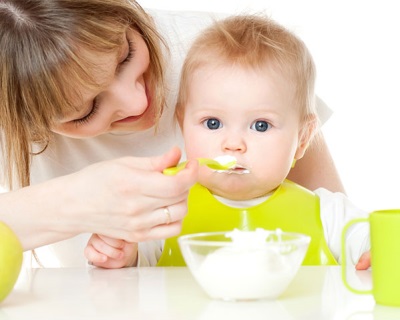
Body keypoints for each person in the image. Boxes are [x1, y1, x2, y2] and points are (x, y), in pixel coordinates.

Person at [0, 0, 346, 268]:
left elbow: (332, 226)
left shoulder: (221, 54)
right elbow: (144, 260)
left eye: (126, 56)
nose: (138, 102)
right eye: (87, 110)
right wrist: (78, 201)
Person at [86, 14, 371, 269]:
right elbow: (136, 272)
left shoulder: (327, 213)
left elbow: (371, 240)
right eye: (213, 123)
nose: (233, 144)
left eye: (261, 125)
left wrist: (378, 250)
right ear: (183, 125)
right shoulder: (168, 211)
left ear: (303, 138)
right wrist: (122, 254)